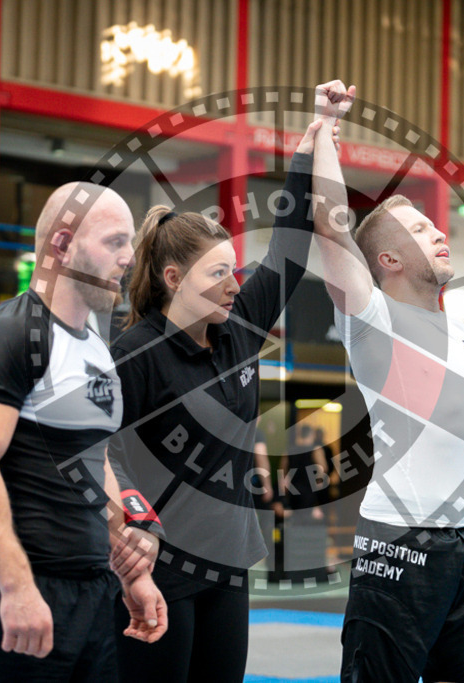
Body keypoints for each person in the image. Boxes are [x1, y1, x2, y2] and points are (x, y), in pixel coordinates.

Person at [309, 81, 464, 683]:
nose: (440, 233)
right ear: (387, 260)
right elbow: (332, 229)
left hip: (462, 548)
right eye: (420, 230)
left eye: (436, 226)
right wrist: (326, 129)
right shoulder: (372, 320)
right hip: (397, 541)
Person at [108, 101, 334, 682]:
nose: (234, 285)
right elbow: (97, 447)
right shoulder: (136, 353)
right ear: (173, 278)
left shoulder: (239, 329)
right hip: (160, 566)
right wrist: (134, 520)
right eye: (217, 274)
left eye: (234, 271)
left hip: (229, 562)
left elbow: (289, 247)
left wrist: (309, 147)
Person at [0, 182, 167, 682]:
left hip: (95, 595)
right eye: (114, 242)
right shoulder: (11, 334)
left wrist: (132, 574)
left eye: (129, 243)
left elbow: (98, 464)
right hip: (31, 590)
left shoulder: (96, 346)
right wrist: (17, 588)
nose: (129, 258)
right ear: (63, 245)